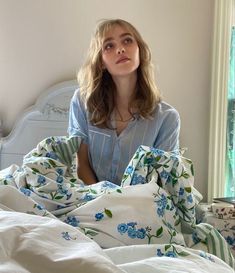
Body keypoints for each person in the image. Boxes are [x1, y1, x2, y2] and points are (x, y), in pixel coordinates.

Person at [68, 19, 180, 185]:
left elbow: (163, 181)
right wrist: (104, 203)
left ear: (139, 50)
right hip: (91, 200)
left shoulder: (167, 118)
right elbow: (81, 164)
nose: (120, 49)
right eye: (109, 46)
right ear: (101, 62)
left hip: (141, 204)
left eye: (127, 40)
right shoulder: (83, 102)